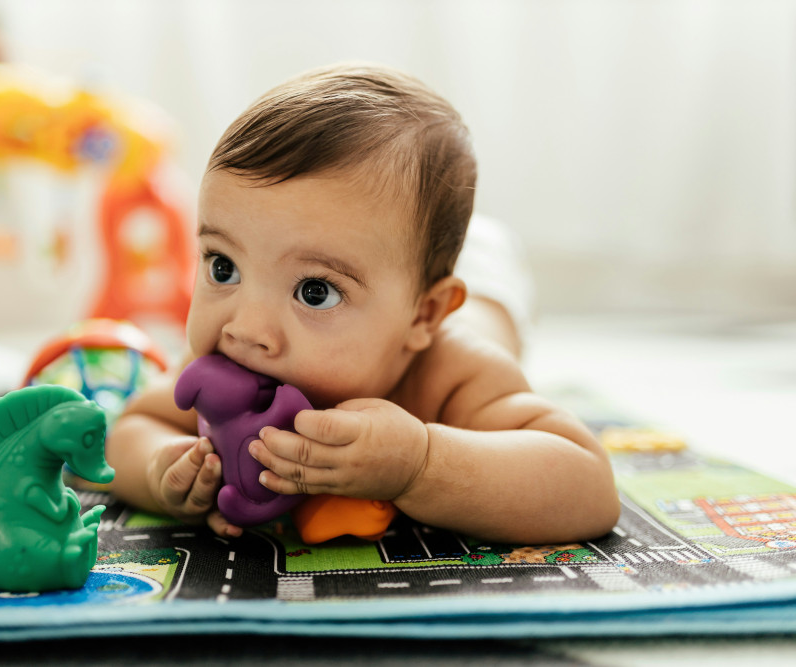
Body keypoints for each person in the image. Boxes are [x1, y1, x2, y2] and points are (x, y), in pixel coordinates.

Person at [106, 63, 619, 545]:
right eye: (223, 267)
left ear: (424, 315)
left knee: (483, 282)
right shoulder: (227, 355)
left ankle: (483, 247)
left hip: (486, 292)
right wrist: (162, 467)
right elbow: (131, 427)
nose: (245, 327)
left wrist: (420, 464)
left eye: (315, 291)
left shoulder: (453, 374)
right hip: (400, 271)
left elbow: (588, 486)